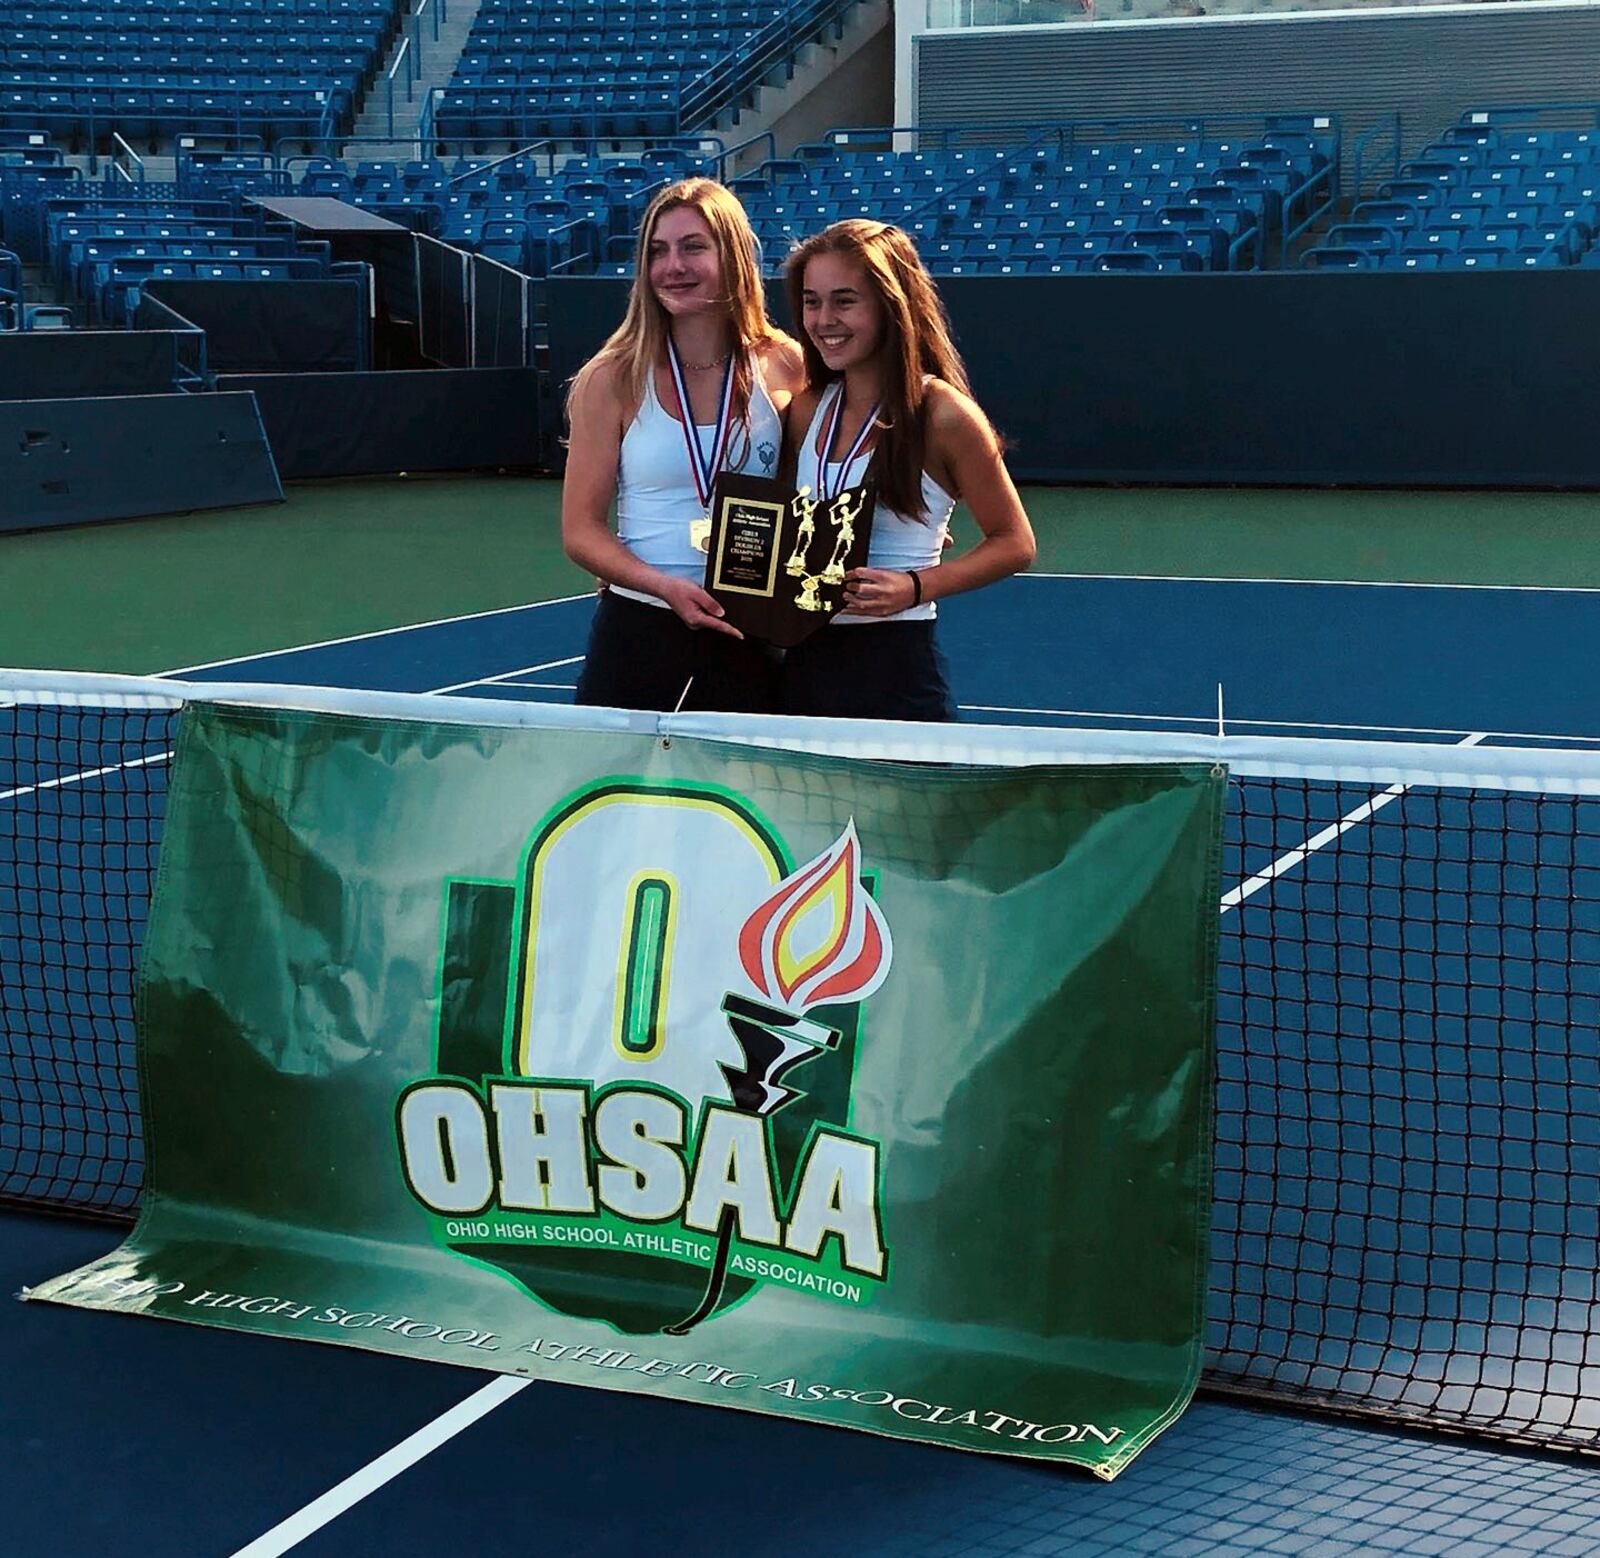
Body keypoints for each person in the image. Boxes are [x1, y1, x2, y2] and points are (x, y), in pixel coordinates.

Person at [563, 178, 805, 712]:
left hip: (748, 627)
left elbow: (821, 476)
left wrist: (884, 518)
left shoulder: (786, 363)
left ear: (734, 255)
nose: (672, 266)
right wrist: (660, 586)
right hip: (638, 629)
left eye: (693, 247)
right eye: (658, 251)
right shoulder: (611, 377)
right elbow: (581, 530)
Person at [780, 220, 1036, 721]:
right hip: (803, 665)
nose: (824, 319)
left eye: (844, 300)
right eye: (812, 301)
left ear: (891, 305)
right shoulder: (807, 409)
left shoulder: (944, 414)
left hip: (897, 668)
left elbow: (1015, 542)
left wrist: (915, 585)